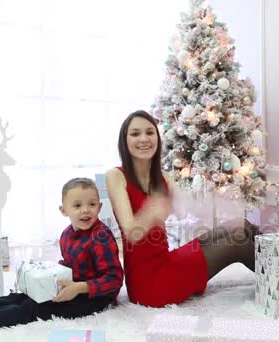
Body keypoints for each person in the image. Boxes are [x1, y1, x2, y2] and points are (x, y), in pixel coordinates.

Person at [0, 177, 123, 331]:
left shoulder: (101, 237)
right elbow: (67, 265)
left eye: (92, 204)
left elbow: (114, 279)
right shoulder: (66, 235)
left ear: (100, 206)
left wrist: (78, 288)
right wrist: (47, 278)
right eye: (77, 205)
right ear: (64, 210)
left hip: (95, 298)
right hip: (71, 286)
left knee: (32, 309)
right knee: (20, 297)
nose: (85, 210)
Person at [106, 110, 257, 308]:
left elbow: (187, 209)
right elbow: (131, 232)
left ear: (157, 138)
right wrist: (151, 211)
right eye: (135, 134)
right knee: (239, 245)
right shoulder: (116, 176)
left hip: (167, 260)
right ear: (124, 141)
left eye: (149, 132)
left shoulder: (162, 177)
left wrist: (217, 199)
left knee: (239, 226)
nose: (143, 139)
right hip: (149, 286)